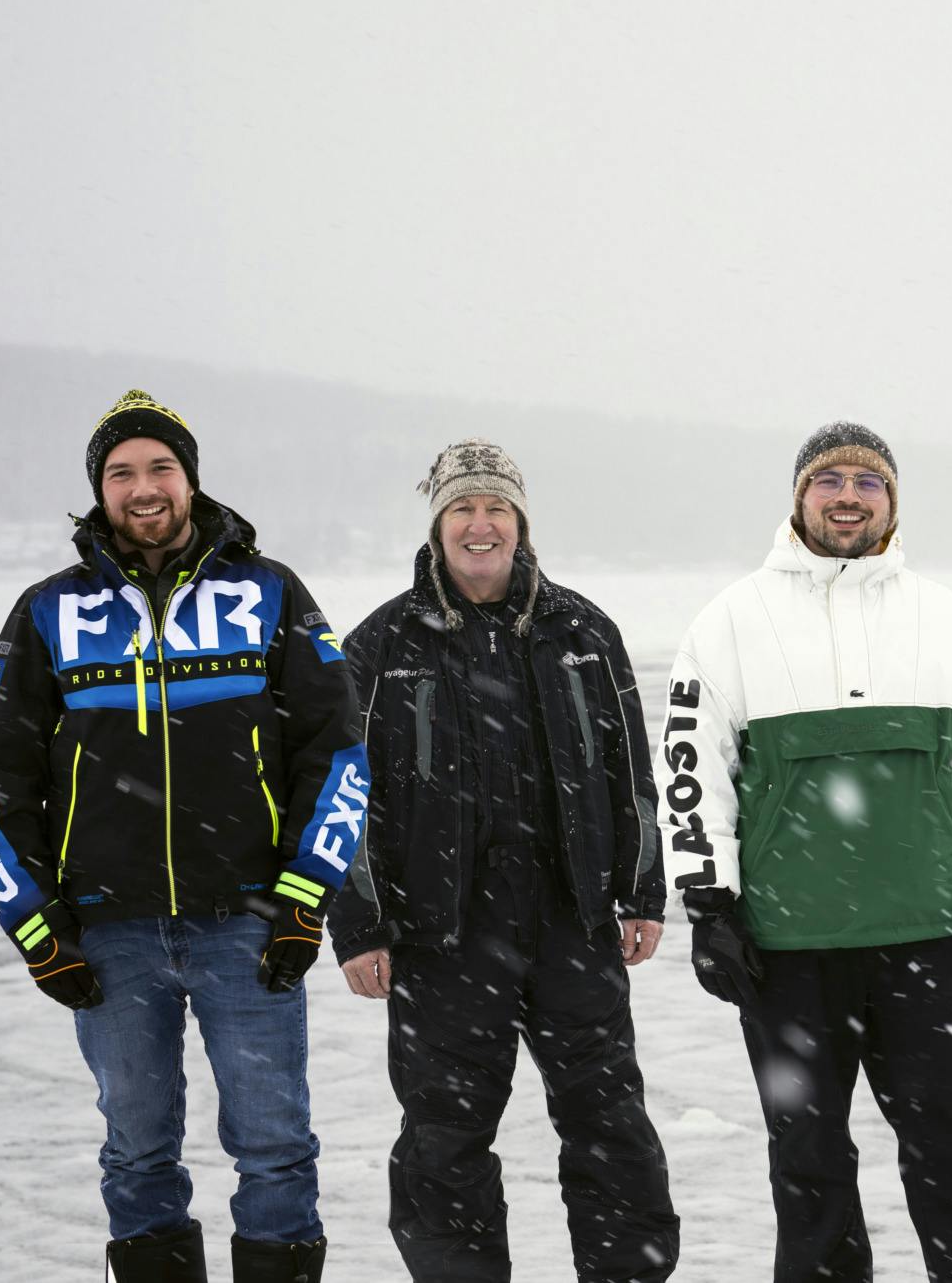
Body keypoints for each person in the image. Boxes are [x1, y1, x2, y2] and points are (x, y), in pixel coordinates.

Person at [0, 389, 365, 1282]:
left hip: (250, 927)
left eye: (160, 469)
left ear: (190, 479)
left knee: (276, 1153)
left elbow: (336, 756)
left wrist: (304, 899)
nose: (144, 489)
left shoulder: (270, 592)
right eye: (122, 473)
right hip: (108, 934)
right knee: (137, 1157)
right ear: (99, 491)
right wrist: (37, 927)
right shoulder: (46, 612)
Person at [657, 421, 952, 1283]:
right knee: (809, 1166)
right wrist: (709, 903)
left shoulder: (948, 621)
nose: (849, 495)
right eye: (830, 480)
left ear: (893, 501)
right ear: (799, 497)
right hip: (787, 953)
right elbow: (687, 766)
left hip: (930, 942)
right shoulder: (730, 623)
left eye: (869, 481)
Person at [325, 438, 677, 1282]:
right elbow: (342, 796)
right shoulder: (381, 645)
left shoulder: (584, 632)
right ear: (438, 522)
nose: (480, 525)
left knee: (611, 1124)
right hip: (440, 932)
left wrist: (641, 891)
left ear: (519, 522)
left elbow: (633, 775)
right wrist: (359, 924)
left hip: (571, 917)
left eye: (496, 509)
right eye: (462, 508)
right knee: (444, 1142)